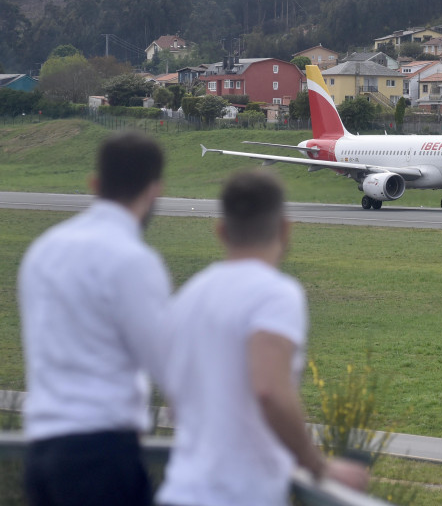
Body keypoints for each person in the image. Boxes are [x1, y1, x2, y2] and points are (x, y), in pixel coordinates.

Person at [157, 169, 368, 506]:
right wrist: (318, 466)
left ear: (221, 230)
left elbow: (174, 403)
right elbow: (268, 390)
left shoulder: (187, 298)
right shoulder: (275, 294)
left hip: (179, 490)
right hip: (237, 495)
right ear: (285, 229)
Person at [18, 131, 171, 506]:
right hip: (100, 455)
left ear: (95, 184)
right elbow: (168, 365)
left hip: (39, 454)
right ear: (155, 191)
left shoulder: (44, 249)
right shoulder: (133, 260)